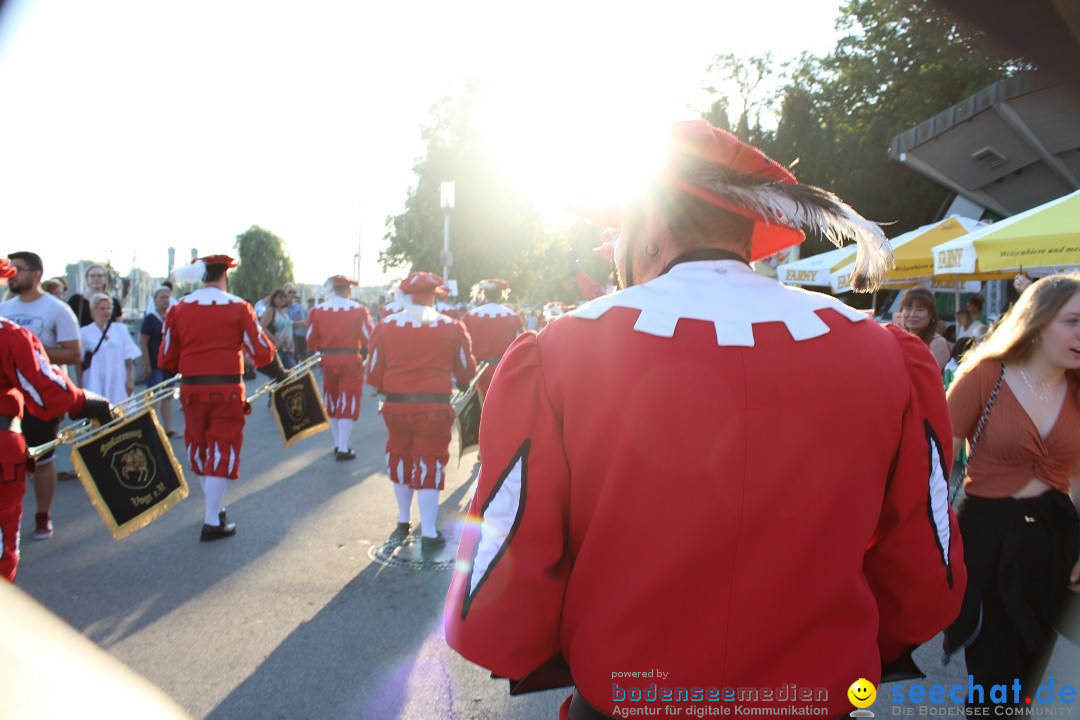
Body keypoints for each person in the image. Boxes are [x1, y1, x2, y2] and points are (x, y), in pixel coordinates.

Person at [443, 120, 967, 719]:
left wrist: (565, 651)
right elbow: (927, 558)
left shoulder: (557, 353)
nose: (614, 254)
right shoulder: (887, 354)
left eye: (617, 234)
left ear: (653, 228)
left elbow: (503, 560)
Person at [943, 273, 1080, 705]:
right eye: (1074, 321)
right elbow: (935, 466)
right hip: (987, 539)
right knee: (993, 680)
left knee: (1027, 675)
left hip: (1054, 539)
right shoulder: (985, 375)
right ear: (1038, 321)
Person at [0, 259, 113, 582]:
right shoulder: (10, 335)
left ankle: (43, 516)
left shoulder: (50, 312)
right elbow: (48, 390)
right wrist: (91, 404)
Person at [158, 255, 285, 541]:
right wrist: (280, 374)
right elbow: (261, 352)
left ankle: (214, 508)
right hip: (227, 389)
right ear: (225, 275)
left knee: (199, 445)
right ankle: (212, 519)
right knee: (222, 447)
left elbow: (166, 357)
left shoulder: (178, 308)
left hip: (191, 389)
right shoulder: (239, 307)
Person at [367, 271, 476, 549]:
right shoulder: (452, 326)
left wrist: (383, 386)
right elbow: (465, 368)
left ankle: (403, 521)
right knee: (430, 461)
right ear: (434, 297)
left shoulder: (385, 325)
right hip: (434, 407)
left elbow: (373, 368)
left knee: (400, 456)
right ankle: (428, 531)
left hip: (395, 405)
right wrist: (463, 385)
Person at [0, 251, 83, 541]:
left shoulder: (58, 309)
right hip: (13, 402)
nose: (12, 275)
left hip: (43, 395)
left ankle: (42, 515)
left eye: (17, 269)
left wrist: (30, 357)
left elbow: (74, 352)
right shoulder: (5, 308)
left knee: (43, 458)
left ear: (36, 274)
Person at [306, 275, 373, 460]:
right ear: (348, 290)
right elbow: (369, 337)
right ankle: (343, 448)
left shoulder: (317, 310)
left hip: (328, 360)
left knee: (332, 401)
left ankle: (337, 444)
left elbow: (311, 340)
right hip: (350, 359)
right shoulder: (359, 310)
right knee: (348, 402)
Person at [462, 279, 525, 398]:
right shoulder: (513, 317)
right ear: (501, 295)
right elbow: (522, 349)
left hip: (477, 374)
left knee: (479, 412)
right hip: (504, 373)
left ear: (484, 294)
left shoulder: (470, 316)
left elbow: (462, 348)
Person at [78, 293, 141, 404]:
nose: (106, 311)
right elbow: (79, 361)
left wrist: (130, 380)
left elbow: (129, 357)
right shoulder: (84, 332)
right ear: (93, 311)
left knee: (122, 409)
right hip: (94, 378)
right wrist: (79, 383)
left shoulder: (121, 330)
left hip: (118, 377)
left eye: (109, 308)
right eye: (102, 308)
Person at [139, 286, 178, 437]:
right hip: (155, 364)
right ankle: (150, 428)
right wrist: (146, 364)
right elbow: (143, 342)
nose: (165, 300)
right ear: (155, 300)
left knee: (167, 396)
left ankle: (168, 428)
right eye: (162, 297)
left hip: (169, 365)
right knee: (153, 397)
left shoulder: (171, 317)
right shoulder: (150, 319)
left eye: (167, 297)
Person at [900, 287, 950, 374]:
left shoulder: (937, 343)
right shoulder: (899, 339)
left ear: (931, 314)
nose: (912, 315)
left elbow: (927, 376)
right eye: (908, 308)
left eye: (920, 309)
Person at [259, 289, 296, 369]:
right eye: (280, 297)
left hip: (287, 349)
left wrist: (292, 346)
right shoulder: (271, 310)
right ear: (274, 299)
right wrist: (274, 340)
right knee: (280, 375)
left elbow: (288, 329)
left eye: (284, 297)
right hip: (277, 348)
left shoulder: (284, 312)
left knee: (291, 373)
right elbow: (262, 327)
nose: (283, 299)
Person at [282, 283, 309, 360]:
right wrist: (294, 323)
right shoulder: (278, 305)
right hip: (280, 338)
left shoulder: (298, 307)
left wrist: (287, 323)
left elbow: (303, 322)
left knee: (294, 364)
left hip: (293, 338)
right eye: (290, 292)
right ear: (284, 292)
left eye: (294, 292)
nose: (292, 294)